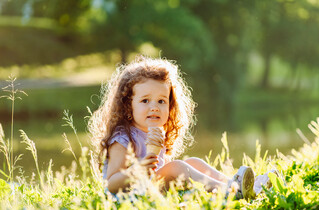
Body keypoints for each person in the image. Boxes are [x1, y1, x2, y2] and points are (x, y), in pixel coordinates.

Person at [88, 56, 272, 199]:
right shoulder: (122, 138)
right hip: (128, 196)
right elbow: (111, 183)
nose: (154, 106)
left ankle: (237, 184)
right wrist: (139, 170)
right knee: (176, 167)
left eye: (161, 101)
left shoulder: (155, 132)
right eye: (145, 100)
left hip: (151, 188)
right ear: (129, 106)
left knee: (192, 162)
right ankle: (230, 191)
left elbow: (161, 169)